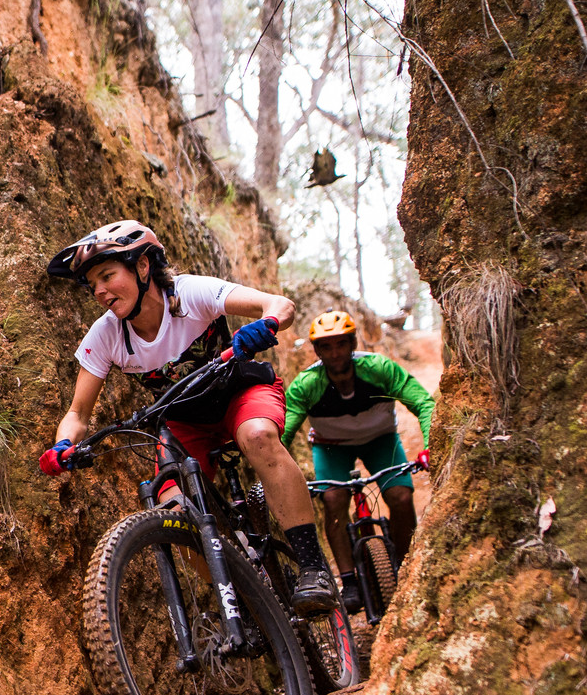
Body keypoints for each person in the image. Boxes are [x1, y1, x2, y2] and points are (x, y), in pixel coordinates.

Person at [36, 220, 338, 615]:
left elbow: (281, 306)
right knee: (175, 511)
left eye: (108, 276)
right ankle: (246, 600)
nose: (100, 291)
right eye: (93, 284)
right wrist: (63, 446)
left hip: (240, 395)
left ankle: (313, 568)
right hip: (182, 422)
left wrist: (266, 325)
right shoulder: (106, 335)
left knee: (259, 436)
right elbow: (77, 412)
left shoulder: (190, 294)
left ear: (143, 267)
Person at [280, 310, 435, 614]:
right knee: (334, 500)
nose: (335, 353)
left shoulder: (379, 369)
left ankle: (404, 565)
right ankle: (349, 580)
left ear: (352, 343)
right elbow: (283, 433)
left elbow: (422, 402)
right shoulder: (306, 385)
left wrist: (430, 447)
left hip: (381, 440)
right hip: (330, 447)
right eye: (327, 347)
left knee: (401, 497)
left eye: (341, 344)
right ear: (317, 351)